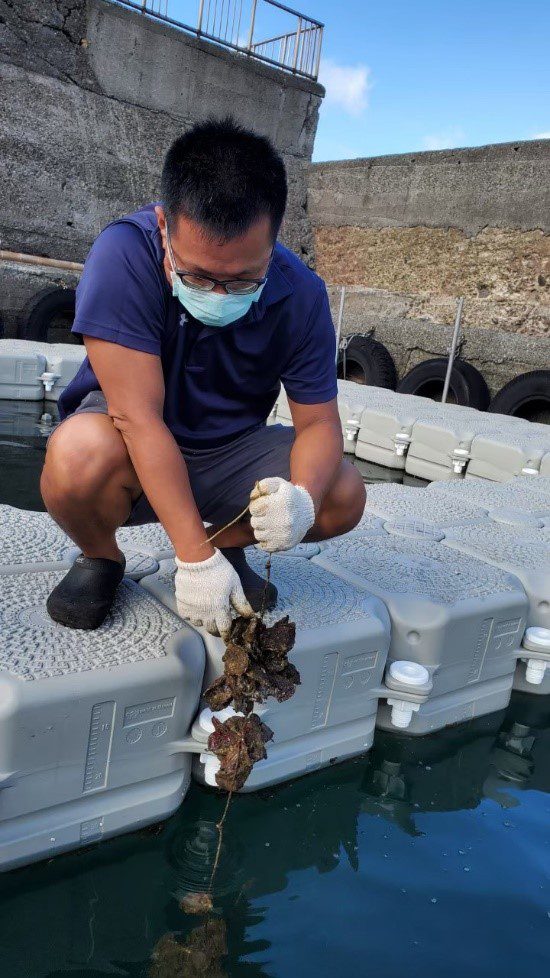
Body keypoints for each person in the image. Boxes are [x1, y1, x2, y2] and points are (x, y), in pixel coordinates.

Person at [41, 117, 365, 635]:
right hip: (128, 440)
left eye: (242, 279)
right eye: (196, 276)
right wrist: (190, 560)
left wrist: (300, 501)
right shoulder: (124, 253)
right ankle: (101, 557)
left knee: (341, 492)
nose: (217, 294)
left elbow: (320, 426)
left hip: (229, 450)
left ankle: (224, 545)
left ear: (275, 242)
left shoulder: (302, 294)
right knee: (77, 455)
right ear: (165, 226)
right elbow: (138, 419)